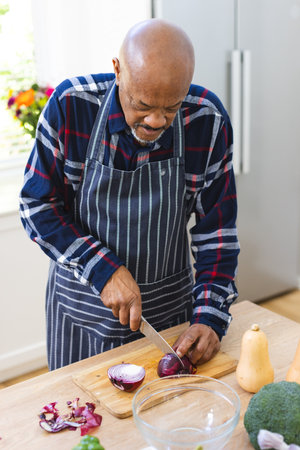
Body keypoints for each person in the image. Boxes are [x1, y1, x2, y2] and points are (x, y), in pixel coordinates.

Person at [19, 18, 240, 371]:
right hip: (81, 315)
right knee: (78, 418)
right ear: (117, 71)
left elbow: (217, 235)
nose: (155, 121)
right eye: (142, 104)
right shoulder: (70, 106)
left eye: (171, 108)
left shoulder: (206, 120)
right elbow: (37, 206)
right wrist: (102, 269)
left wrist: (210, 317)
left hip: (170, 320)